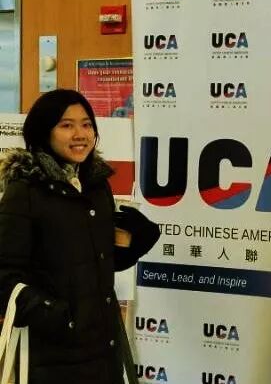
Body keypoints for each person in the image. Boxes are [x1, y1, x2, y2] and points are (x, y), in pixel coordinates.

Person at [0, 89, 160, 384]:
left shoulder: (95, 185)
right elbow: (5, 276)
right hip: (53, 358)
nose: (80, 134)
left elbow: (97, 262)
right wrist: (61, 317)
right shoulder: (25, 191)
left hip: (103, 350)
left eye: (86, 124)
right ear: (43, 132)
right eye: (66, 125)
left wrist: (139, 241)